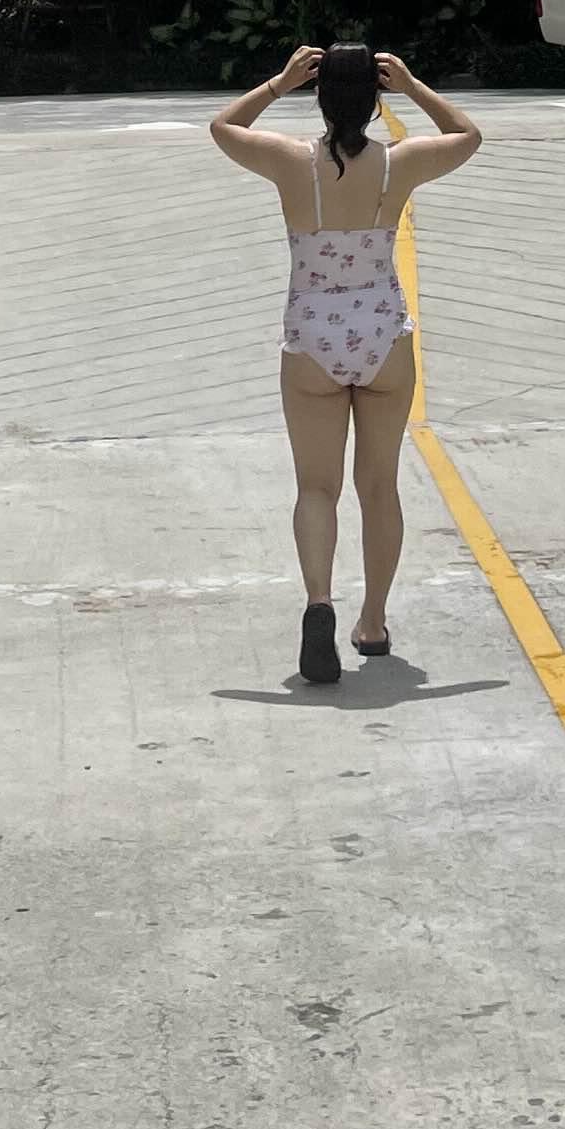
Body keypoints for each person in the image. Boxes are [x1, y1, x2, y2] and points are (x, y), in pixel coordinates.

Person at [209, 37, 483, 685]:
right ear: (374, 100)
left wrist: (279, 82)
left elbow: (223, 127)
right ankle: (373, 622)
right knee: (379, 485)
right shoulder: (398, 165)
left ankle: (318, 603)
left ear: (320, 97)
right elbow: (467, 135)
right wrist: (411, 87)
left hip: (312, 336)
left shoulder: (290, 162)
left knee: (316, 487)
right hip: (382, 334)